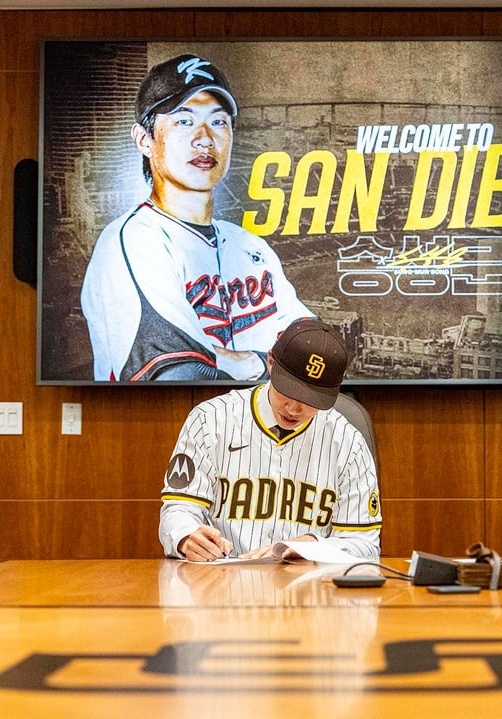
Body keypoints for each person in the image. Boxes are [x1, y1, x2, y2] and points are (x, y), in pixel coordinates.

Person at [81, 53, 313, 382]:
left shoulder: (250, 247)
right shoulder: (132, 243)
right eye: (184, 120)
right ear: (144, 140)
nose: (205, 138)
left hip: (265, 430)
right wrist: (270, 364)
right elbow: (178, 375)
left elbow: (318, 350)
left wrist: (248, 363)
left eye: (218, 121)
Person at [158, 318, 381, 561]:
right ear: (271, 362)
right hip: (223, 582)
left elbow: (365, 544)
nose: (294, 408)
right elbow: (178, 510)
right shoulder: (210, 420)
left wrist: (314, 546)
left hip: (308, 589)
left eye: (311, 399)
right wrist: (186, 536)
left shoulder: (349, 443)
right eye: (289, 390)